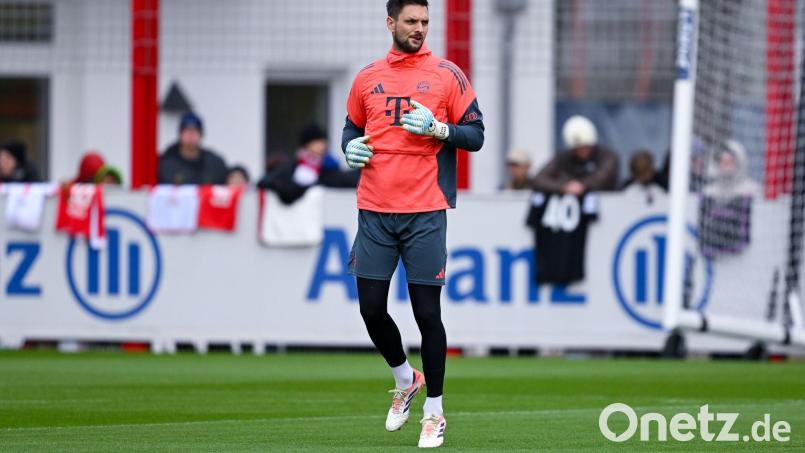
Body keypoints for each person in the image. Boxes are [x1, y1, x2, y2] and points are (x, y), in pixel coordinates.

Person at [341, 0, 484, 447]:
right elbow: (351, 128)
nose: (419, 28)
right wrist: (350, 149)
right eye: (411, 21)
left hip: (424, 211)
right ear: (391, 23)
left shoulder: (448, 75)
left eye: (425, 21)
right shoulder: (367, 77)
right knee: (369, 308)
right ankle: (406, 379)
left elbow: (476, 135)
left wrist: (441, 130)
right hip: (375, 210)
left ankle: (435, 412)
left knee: (427, 314)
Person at [258, 124, 359, 204]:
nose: (322, 146)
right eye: (318, 142)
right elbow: (266, 182)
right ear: (307, 144)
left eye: (323, 142)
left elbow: (342, 180)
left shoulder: (329, 166)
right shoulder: (292, 167)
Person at [532, 115, 618, 195]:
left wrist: (582, 185)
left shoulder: (607, 157)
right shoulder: (563, 158)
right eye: (578, 148)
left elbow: (602, 177)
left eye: (585, 147)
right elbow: (539, 179)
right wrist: (563, 187)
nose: (582, 151)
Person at [157, 112, 228, 185]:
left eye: (194, 131)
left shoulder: (215, 164)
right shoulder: (166, 164)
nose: (190, 135)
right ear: (180, 134)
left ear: (201, 135)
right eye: (187, 131)